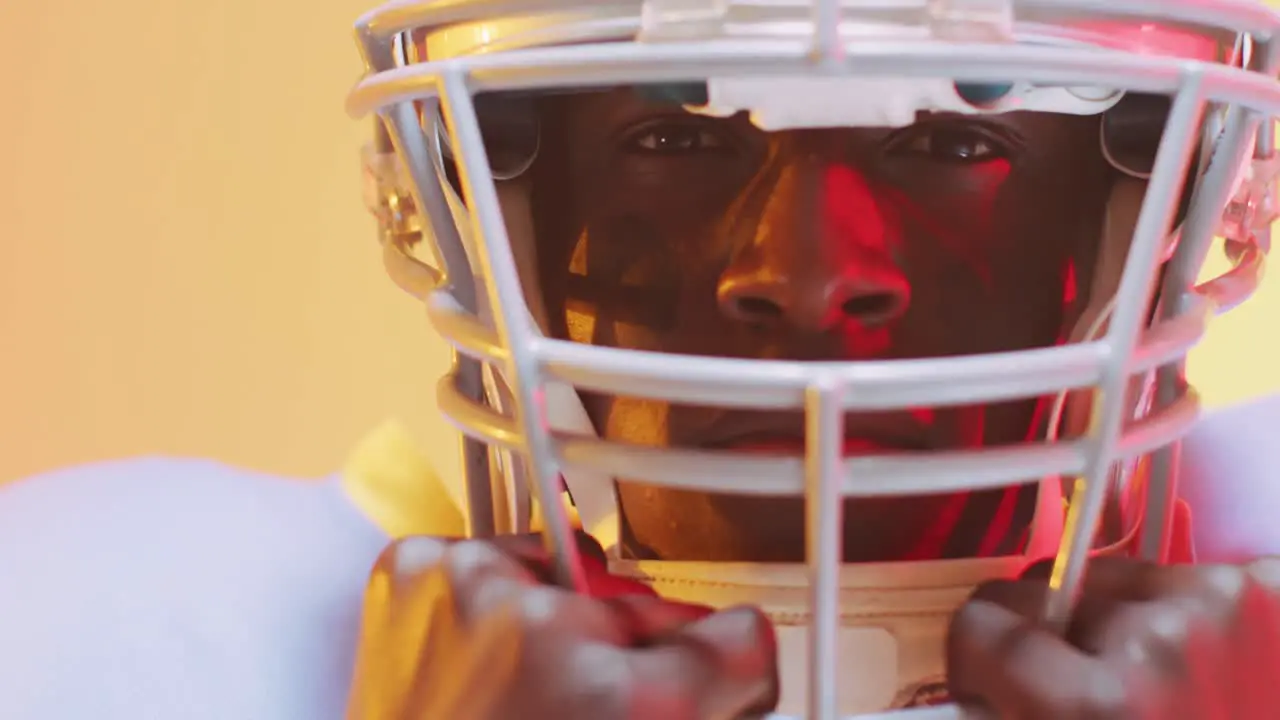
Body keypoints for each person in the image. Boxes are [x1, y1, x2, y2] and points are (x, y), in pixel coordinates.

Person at [2, 1, 1279, 718]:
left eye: (952, 145)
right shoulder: (107, 630)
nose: (806, 274)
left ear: (1158, 222)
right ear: (483, 198)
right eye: (671, 140)